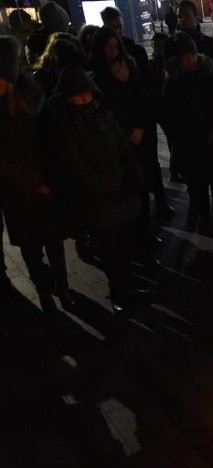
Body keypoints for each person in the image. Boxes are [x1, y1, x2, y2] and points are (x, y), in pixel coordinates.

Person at [50, 67, 147, 314]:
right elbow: (75, 165)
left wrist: (130, 173)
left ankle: (129, 288)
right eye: (77, 95)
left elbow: (122, 143)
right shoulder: (66, 123)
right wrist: (105, 184)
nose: (83, 99)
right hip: (97, 199)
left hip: (120, 191)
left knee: (125, 244)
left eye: (86, 94)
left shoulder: (102, 113)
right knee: (110, 249)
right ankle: (118, 293)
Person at [0, 36, 72, 313]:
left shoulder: (33, 98)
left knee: (54, 242)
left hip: (45, 184)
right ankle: (44, 292)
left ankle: (63, 288)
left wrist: (50, 179)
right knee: (31, 248)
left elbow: (55, 141)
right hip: (17, 191)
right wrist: (32, 182)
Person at [91, 26, 173, 247]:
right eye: (108, 47)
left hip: (140, 137)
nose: (112, 51)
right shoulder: (97, 76)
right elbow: (106, 110)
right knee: (125, 190)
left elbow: (144, 101)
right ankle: (132, 237)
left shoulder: (130, 68)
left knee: (142, 185)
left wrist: (141, 129)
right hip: (116, 143)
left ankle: (145, 233)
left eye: (115, 46)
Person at [164, 32, 213, 232]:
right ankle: (203, 215)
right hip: (190, 140)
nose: (189, 59)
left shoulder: (209, 73)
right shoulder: (174, 82)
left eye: (191, 55)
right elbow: (170, 113)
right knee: (198, 182)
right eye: (185, 56)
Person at [100, 5, 153, 87]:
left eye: (119, 26)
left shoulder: (136, 50)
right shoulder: (101, 52)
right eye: (113, 28)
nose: (117, 31)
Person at [167, 0, 213, 73]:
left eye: (187, 15)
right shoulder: (170, 44)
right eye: (180, 16)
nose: (182, 19)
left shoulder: (209, 43)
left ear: (196, 17)